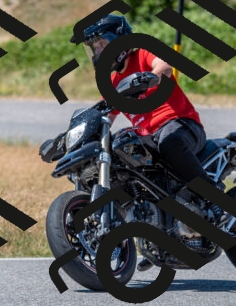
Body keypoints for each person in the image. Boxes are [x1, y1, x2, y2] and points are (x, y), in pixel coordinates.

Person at [72, 14, 221, 192]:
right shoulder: (112, 84)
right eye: (94, 47)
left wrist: (146, 80)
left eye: (102, 44)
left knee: (169, 143)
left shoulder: (143, 54)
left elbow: (164, 67)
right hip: (149, 138)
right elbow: (105, 117)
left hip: (182, 126)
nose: (98, 52)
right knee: (121, 154)